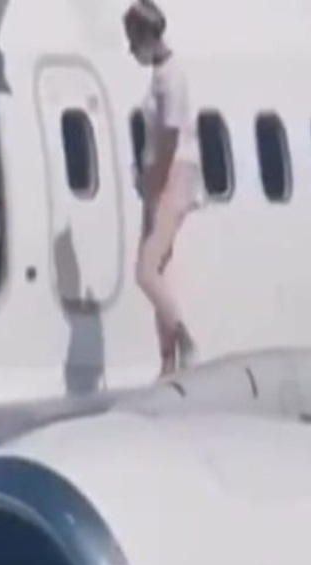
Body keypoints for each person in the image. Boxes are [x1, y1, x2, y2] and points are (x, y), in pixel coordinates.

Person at [124, 0, 200, 377]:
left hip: (172, 177)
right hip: (161, 175)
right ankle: (167, 361)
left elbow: (169, 137)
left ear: (146, 36)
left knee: (146, 271)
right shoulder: (161, 75)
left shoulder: (171, 76)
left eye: (132, 41)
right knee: (160, 271)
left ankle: (186, 341)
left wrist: (152, 183)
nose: (130, 50)